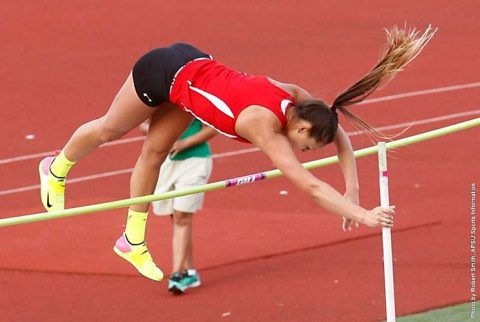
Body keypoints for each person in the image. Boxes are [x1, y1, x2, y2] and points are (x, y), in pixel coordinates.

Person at [38, 26, 435, 281]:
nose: (304, 151)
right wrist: (362, 216)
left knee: (155, 153)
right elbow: (309, 187)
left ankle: (131, 241)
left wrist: (352, 190)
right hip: (163, 71)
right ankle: (56, 168)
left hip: (191, 78)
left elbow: (339, 132)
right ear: (299, 128)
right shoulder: (263, 125)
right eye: (307, 145)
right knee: (111, 128)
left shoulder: (299, 99)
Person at [139, 119, 216, 294]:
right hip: (165, 162)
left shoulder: (196, 96)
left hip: (194, 161)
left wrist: (184, 143)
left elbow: (213, 128)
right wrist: (163, 138)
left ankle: (177, 275)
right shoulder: (159, 97)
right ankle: (190, 271)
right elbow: (143, 124)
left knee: (182, 216)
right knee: (176, 217)